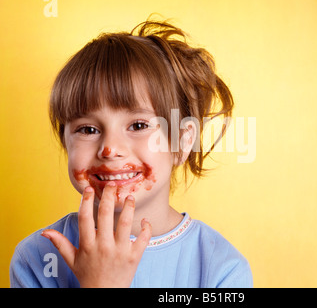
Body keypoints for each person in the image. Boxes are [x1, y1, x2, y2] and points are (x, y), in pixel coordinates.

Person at [9, 18, 253, 288]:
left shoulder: (223, 269)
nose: (110, 149)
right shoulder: (36, 259)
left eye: (138, 125)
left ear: (183, 143)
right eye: (88, 129)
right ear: (65, 141)